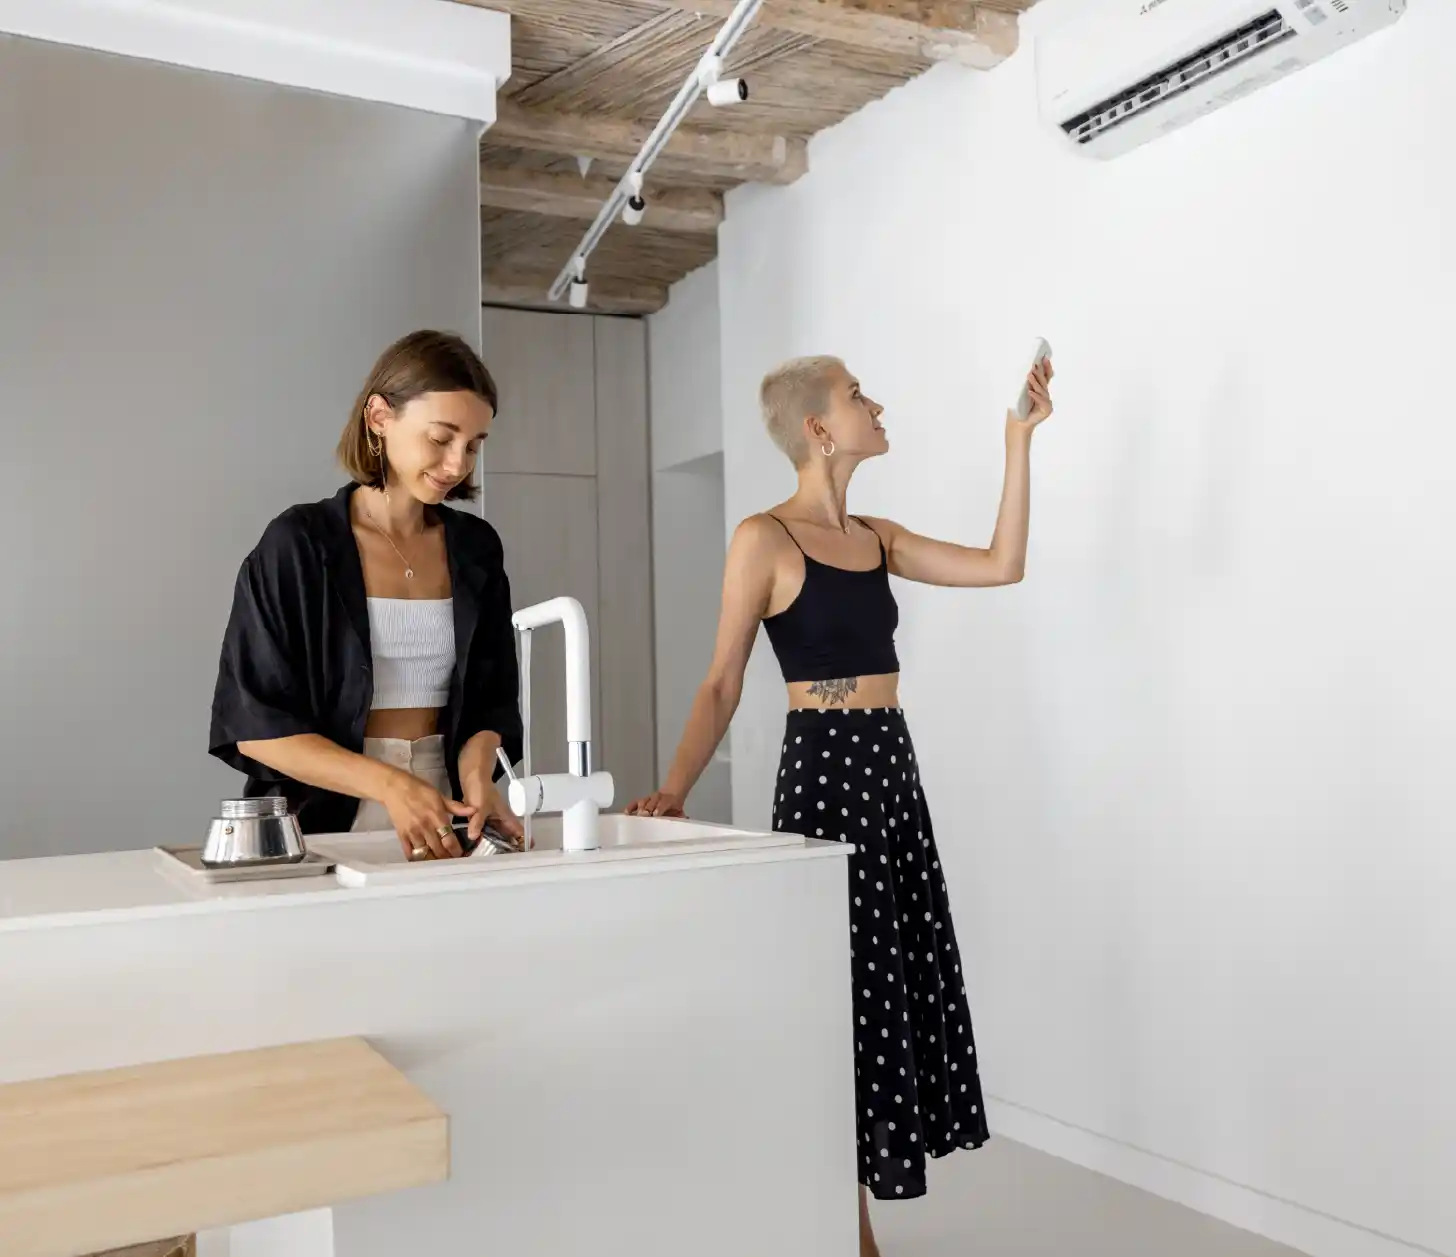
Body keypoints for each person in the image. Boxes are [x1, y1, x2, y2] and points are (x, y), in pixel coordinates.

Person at [626, 352, 1055, 1256]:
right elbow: (721, 680)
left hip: (892, 771)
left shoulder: (877, 537)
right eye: (859, 395)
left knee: (891, 983)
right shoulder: (763, 539)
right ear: (819, 429)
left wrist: (1017, 438)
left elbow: (1002, 564)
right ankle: (848, 1228)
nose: (876, 404)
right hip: (824, 778)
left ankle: (851, 1222)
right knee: (845, 995)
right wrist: (674, 788)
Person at [209, 329, 524, 861]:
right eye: (440, 438)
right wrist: (390, 785)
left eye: (473, 445)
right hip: (325, 814)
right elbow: (257, 725)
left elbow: (492, 700)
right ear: (379, 417)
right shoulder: (299, 544)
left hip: (445, 811)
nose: (458, 465)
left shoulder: (476, 548)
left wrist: (478, 777)